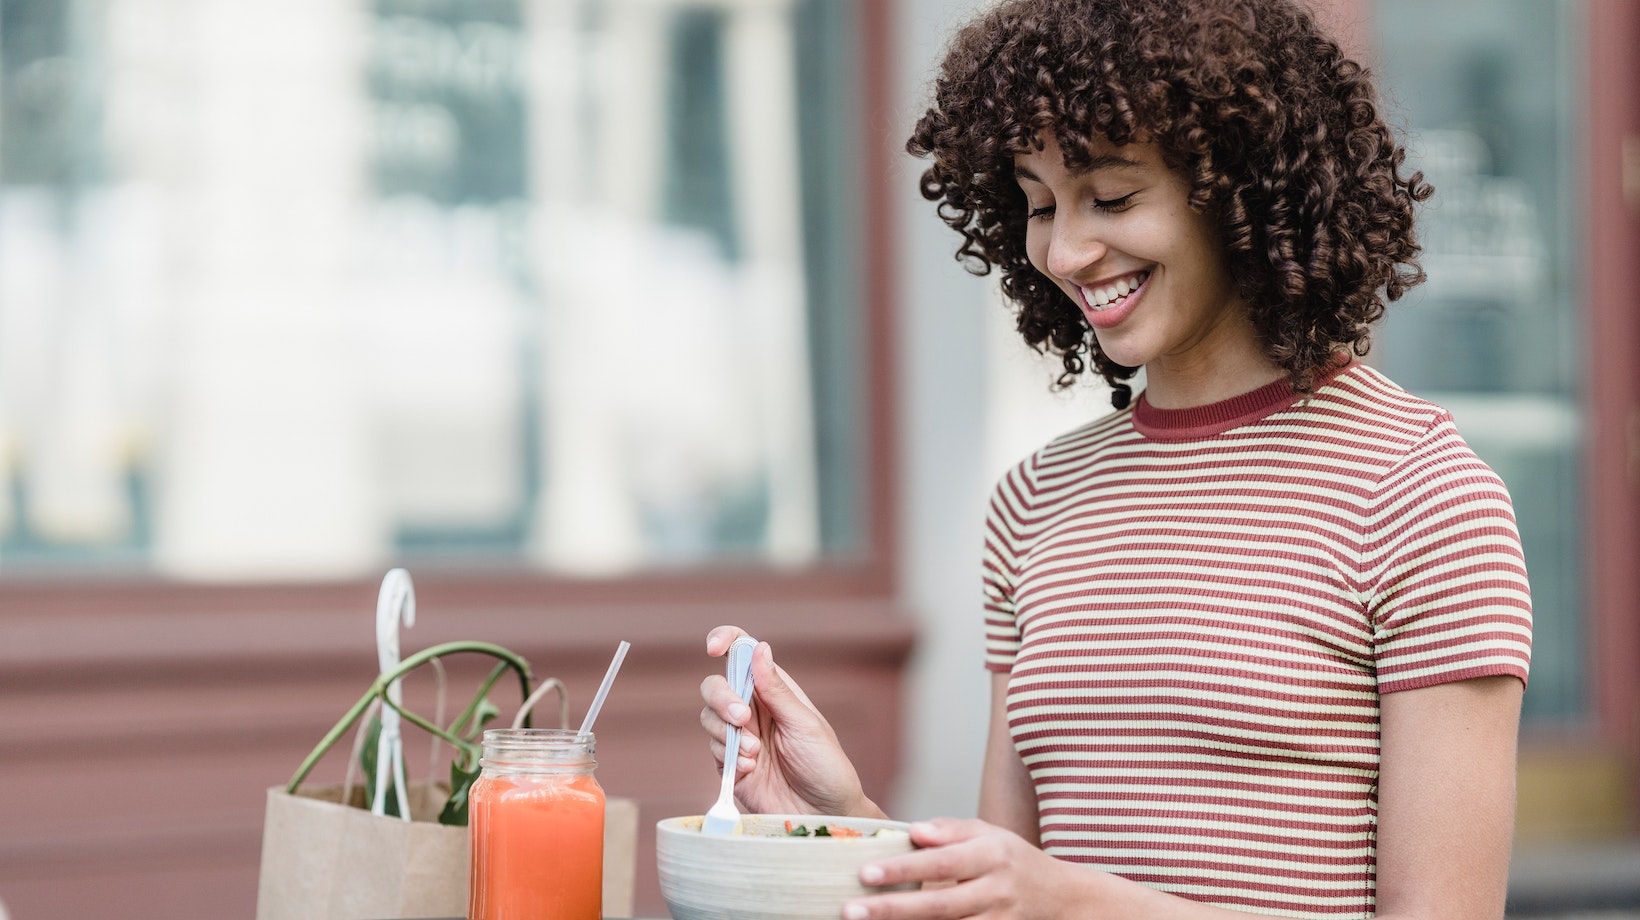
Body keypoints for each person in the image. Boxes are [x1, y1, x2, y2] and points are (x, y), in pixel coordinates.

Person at [699, 1, 1533, 918]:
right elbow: (1012, 890)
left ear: (1240, 188)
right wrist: (843, 818)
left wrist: (1082, 906)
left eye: (1114, 197)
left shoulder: (1420, 494)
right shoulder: (1035, 501)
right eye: (1039, 202)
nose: (1066, 249)